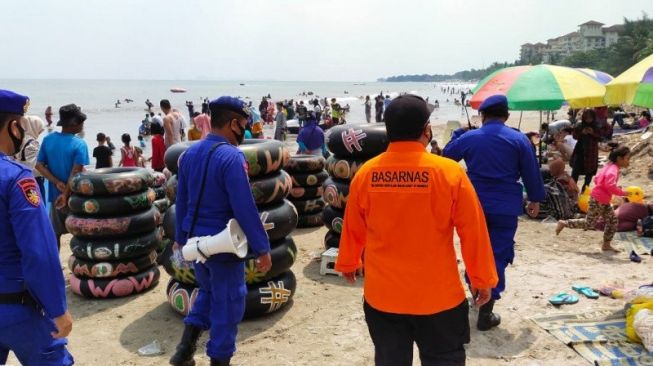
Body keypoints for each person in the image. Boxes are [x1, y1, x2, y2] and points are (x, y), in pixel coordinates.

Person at [335, 95, 498, 366]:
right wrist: (482, 278)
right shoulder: (449, 173)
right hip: (439, 299)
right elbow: (473, 230)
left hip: (383, 298)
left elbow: (353, 225)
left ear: (388, 132)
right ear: (427, 130)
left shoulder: (367, 174)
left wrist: (349, 262)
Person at [170, 96, 272, 366]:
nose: (245, 131)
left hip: (196, 245)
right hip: (223, 245)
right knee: (229, 304)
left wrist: (180, 239)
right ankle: (219, 360)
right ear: (233, 123)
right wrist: (262, 248)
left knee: (208, 293)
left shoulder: (188, 154)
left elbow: (181, 200)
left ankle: (183, 351)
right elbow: (245, 209)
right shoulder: (231, 158)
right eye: (244, 125)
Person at [442, 95, 545, 331]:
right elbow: (532, 173)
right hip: (506, 206)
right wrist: (536, 200)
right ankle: (486, 310)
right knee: (498, 253)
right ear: (506, 116)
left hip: (472, 205)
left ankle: (477, 291)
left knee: (473, 249)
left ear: (482, 116)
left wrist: (459, 134)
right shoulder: (520, 139)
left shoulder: (470, 137)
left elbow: (445, 159)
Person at [0, 89, 74, 366]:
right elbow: (39, 252)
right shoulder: (17, 179)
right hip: (17, 306)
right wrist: (58, 309)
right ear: (13, 127)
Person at [556, 145, 631, 252]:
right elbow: (609, 185)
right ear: (619, 158)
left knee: (612, 221)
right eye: (627, 158)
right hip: (599, 200)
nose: (628, 162)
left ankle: (606, 245)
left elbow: (597, 180)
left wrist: (609, 189)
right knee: (589, 223)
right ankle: (564, 223)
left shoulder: (609, 166)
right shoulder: (613, 169)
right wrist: (622, 192)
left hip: (602, 200)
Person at [36, 104, 89, 249]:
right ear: (73, 123)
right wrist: (65, 194)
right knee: (81, 234)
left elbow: (39, 165)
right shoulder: (80, 144)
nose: (82, 124)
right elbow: (76, 172)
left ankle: (56, 266)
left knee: (55, 233)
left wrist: (56, 182)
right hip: (76, 197)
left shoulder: (48, 140)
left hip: (55, 197)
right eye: (80, 121)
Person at [14, 115, 46, 196]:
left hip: (19, 178)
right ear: (33, 127)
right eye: (39, 130)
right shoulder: (32, 143)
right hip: (33, 180)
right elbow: (35, 165)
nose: (39, 133)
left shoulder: (18, 139)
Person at [570, 109, 601, 192]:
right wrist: (582, 133)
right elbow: (574, 136)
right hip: (580, 151)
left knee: (589, 173)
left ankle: (584, 191)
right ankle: (572, 191)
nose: (588, 120)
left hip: (591, 152)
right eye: (586, 118)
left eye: (590, 118)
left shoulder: (597, 126)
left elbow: (601, 137)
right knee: (575, 172)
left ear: (593, 118)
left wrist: (592, 133)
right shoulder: (580, 125)